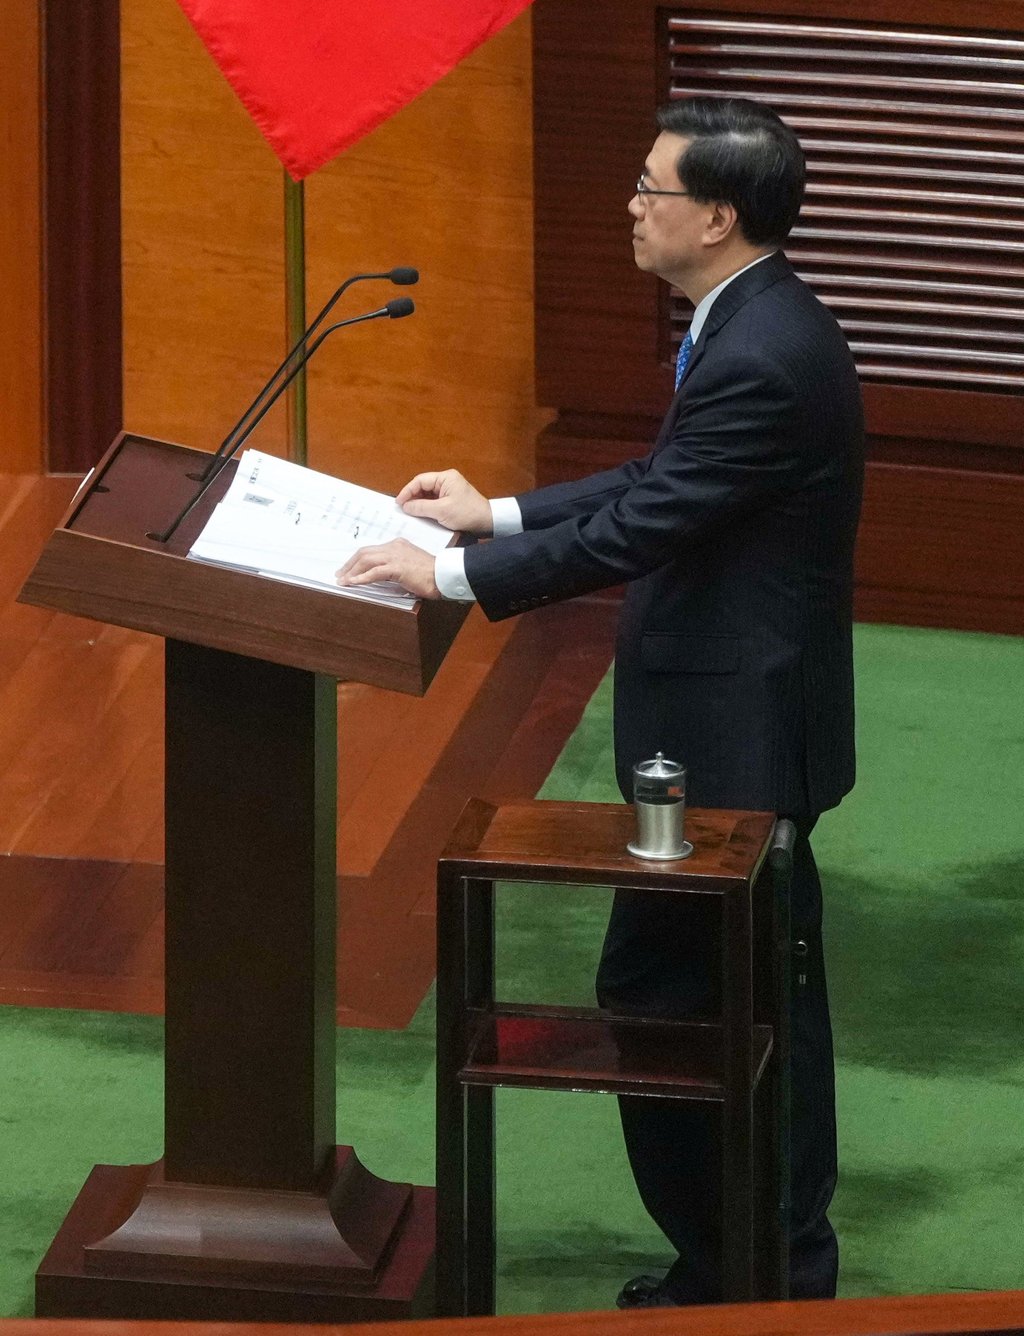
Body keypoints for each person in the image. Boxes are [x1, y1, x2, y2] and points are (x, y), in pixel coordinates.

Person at [337, 95, 864, 1306]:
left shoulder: (764, 358)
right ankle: (756, 1264)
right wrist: (501, 512)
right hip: (733, 723)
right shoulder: (756, 321)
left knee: (688, 1002)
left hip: (732, 742)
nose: (631, 205)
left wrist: (454, 573)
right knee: (742, 998)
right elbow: (661, 479)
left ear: (717, 215)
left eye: (651, 188)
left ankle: (745, 1279)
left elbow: (650, 519)